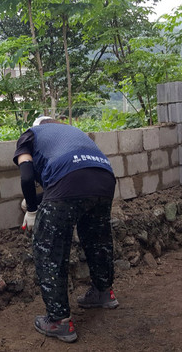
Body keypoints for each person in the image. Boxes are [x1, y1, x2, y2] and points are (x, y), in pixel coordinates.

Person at [13, 116, 119, 343]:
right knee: (97, 238)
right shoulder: (72, 133)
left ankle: (59, 320)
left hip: (69, 182)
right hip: (104, 178)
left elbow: (27, 175)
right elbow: (73, 181)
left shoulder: (30, 134)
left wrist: (31, 210)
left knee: (49, 249)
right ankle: (104, 292)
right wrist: (34, 201)